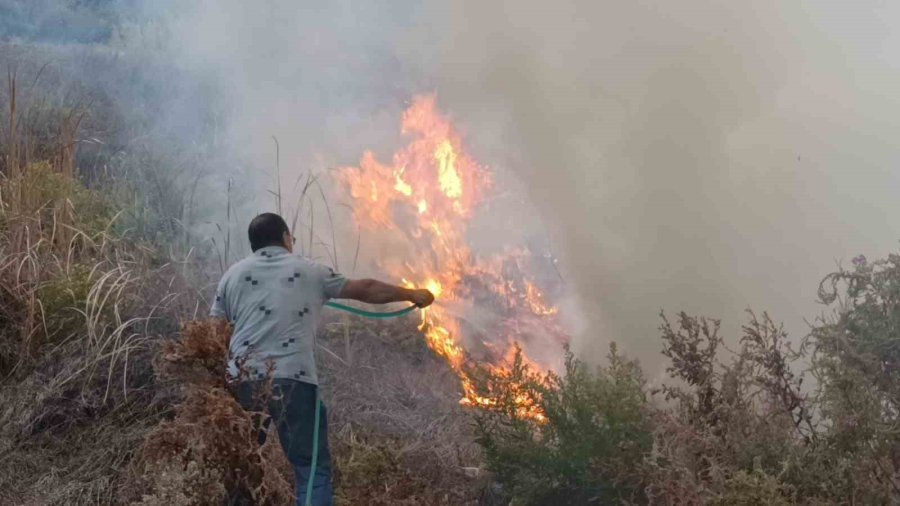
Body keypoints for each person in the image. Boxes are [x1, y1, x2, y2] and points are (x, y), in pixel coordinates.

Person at [210, 212, 434, 506]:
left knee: (241, 466)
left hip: (242, 383)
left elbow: (213, 334)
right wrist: (411, 293)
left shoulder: (232, 275)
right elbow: (364, 288)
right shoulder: (307, 270)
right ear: (286, 238)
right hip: (293, 382)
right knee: (310, 469)